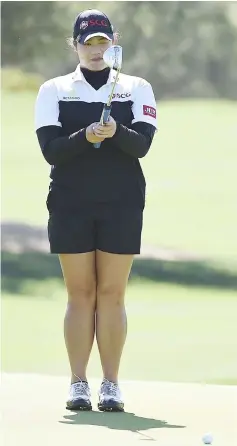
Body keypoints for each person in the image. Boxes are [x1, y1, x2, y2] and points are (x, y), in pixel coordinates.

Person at [34, 8, 157, 412]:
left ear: (113, 43)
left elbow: (142, 146)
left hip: (122, 201)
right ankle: (77, 383)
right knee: (80, 294)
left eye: (102, 42)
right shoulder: (54, 89)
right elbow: (51, 150)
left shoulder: (135, 87)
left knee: (112, 294)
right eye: (88, 43)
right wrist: (86, 135)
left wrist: (116, 131)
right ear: (75, 45)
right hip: (71, 201)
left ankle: (111, 384)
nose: (95, 50)